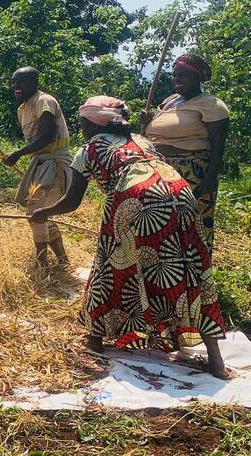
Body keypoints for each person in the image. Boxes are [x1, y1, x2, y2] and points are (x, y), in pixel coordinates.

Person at [31, 96, 228, 378]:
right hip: (181, 192)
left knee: (110, 265)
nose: (81, 128)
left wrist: (43, 212)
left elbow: (71, 202)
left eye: (82, 122)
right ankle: (217, 362)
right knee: (189, 268)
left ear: (93, 123)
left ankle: (95, 340)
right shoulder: (141, 140)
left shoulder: (89, 148)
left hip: (137, 197)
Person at [143, 53, 230, 255]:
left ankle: (197, 275)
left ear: (198, 77)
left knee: (193, 224)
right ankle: (165, 274)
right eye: (174, 75)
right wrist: (146, 122)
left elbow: (218, 147)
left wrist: (210, 178)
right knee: (162, 223)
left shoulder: (212, 105)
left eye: (183, 75)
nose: (177, 80)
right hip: (158, 170)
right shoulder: (170, 101)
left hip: (192, 171)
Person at [3, 67, 72, 272]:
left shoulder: (44, 101)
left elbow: (46, 137)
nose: (16, 87)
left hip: (54, 163)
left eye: (21, 82)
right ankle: (62, 261)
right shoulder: (22, 108)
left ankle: (42, 264)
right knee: (42, 214)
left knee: (36, 213)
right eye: (14, 83)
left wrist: (17, 154)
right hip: (41, 163)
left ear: (34, 82)